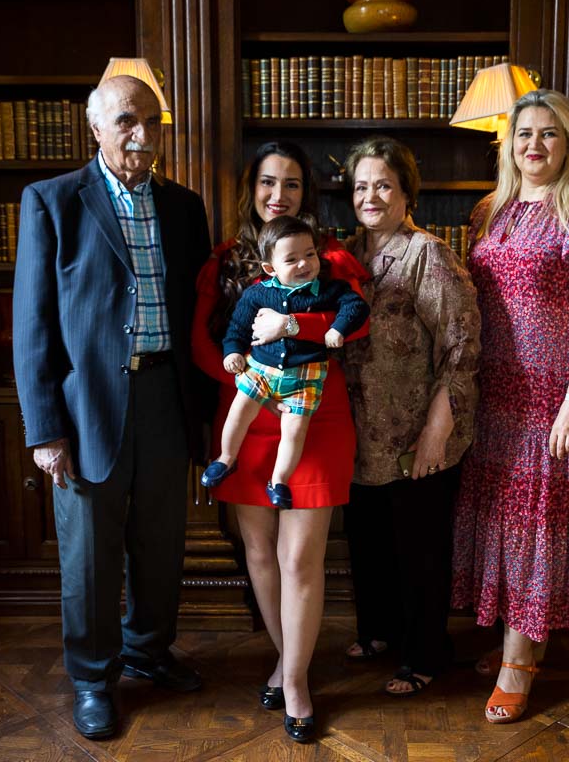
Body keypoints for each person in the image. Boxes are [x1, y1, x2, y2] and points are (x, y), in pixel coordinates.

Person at [13, 75, 211, 740]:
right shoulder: (52, 202)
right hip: (86, 404)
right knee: (91, 556)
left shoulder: (186, 208)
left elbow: (199, 315)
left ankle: (148, 651)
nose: (143, 135)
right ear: (95, 126)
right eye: (128, 120)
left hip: (165, 396)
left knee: (161, 545)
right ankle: (94, 679)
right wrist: (45, 430)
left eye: (153, 122)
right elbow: (33, 323)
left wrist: (202, 417)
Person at [450, 89, 569, 724]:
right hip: (497, 396)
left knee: (537, 522)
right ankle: (513, 633)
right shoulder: (489, 211)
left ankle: (518, 663)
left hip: (555, 395)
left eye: (549, 135)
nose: (534, 145)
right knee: (505, 516)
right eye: (523, 133)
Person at [191, 141, 369, 743]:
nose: (278, 195)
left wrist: (299, 326)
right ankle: (286, 661)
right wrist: (245, 376)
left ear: (305, 195)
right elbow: (201, 343)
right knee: (260, 555)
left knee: (300, 558)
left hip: (313, 415)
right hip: (246, 413)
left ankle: (295, 683)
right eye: (268, 183)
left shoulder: (329, 258)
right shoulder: (225, 261)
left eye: (291, 185)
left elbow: (358, 319)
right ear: (252, 189)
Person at [340, 136, 481, 697]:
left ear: (405, 192)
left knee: (419, 548)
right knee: (370, 540)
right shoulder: (347, 253)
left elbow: (461, 347)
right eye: (360, 186)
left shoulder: (428, 253)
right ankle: (378, 632)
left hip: (416, 432)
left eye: (382, 185)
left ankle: (426, 653)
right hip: (358, 432)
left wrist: (435, 433)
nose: (370, 196)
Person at [202, 216, 369, 509]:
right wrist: (232, 353)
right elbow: (237, 330)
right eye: (292, 259)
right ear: (270, 268)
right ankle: (226, 458)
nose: (304, 264)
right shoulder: (257, 294)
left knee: (294, 430)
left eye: (309, 254)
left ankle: (278, 479)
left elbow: (357, 306)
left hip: (304, 377)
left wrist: (336, 328)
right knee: (239, 410)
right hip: (261, 370)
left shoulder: (330, 291)